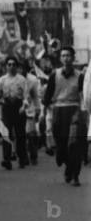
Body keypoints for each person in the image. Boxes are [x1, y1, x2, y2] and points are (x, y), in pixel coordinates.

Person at [42, 46, 86, 186]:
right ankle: (68, 165)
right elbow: (48, 96)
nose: (66, 58)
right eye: (63, 55)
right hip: (58, 111)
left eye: (69, 55)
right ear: (60, 58)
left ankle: (75, 175)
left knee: (74, 143)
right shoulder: (54, 75)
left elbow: (83, 96)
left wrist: (84, 112)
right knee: (61, 145)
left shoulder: (80, 76)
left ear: (73, 58)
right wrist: (44, 113)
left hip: (74, 111)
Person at [0, 56, 28, 170]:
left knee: (20, 134)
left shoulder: (22, 79)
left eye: (13, 64)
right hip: (7, 106)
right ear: (6, 66)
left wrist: (24, 106)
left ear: (17, 66)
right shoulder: (2, 79)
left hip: (18, 106)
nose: (11, 66)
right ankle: (6, 159)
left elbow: (26, 95)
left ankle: (22, 157)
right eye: (9, 64)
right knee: (6, 133)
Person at [22, 61, 42, 165]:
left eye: (22, 68)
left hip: (30, 110)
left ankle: (33, 155)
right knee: (20, 135)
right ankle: (23, 156)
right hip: (18, 110)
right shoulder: (14, 78)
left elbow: (36, 96)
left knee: (30, 134)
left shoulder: (33, 80)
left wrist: (38, 109)